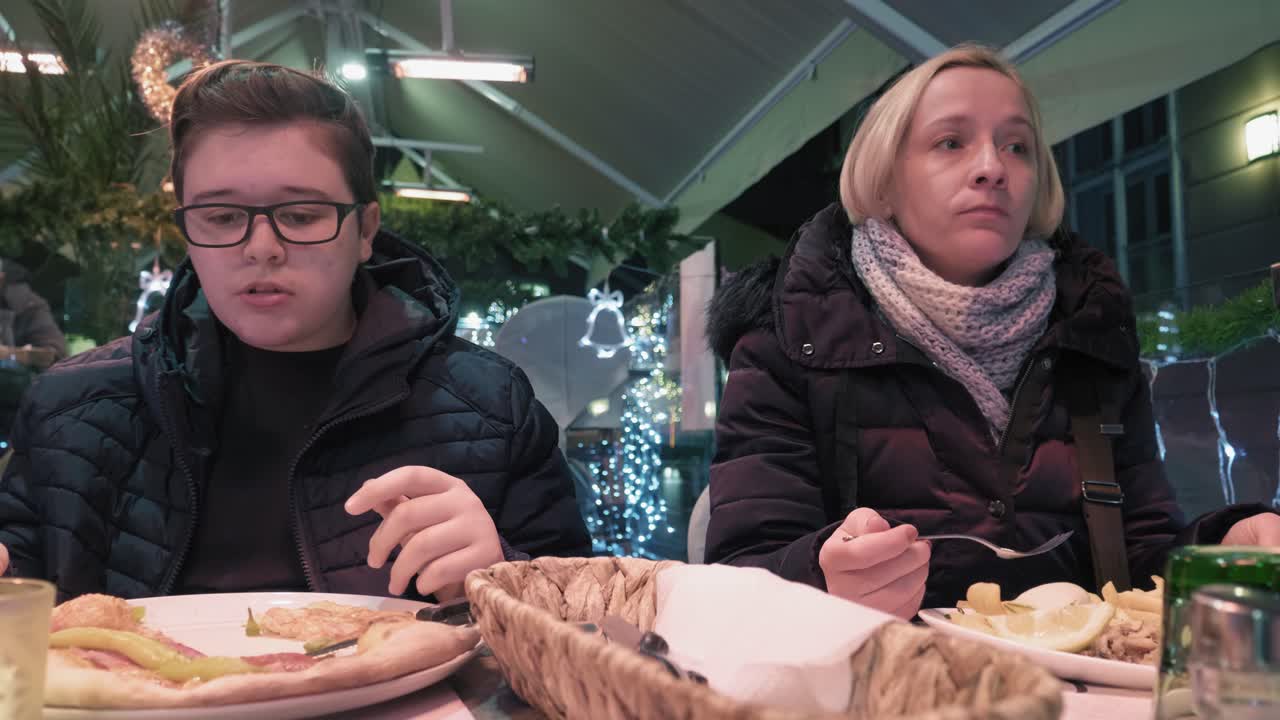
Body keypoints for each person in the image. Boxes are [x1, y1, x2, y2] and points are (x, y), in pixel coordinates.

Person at [703, 45, 1279, 620]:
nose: (993, 167)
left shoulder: (1094, 336)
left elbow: (1139, 560)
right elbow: (739, 574)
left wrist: (1225, 548)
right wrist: (822, 576)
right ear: (882, 181)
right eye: (950, 142)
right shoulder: (790, 337)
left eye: (1017, 146)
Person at [0, 60, 590, 601]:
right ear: (187, 232)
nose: (262, 248)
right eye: (222, 216)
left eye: (302, 215)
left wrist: (500, 577)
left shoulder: (490, 408)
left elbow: (588, 621)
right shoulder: (70, 412)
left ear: (365, 231)